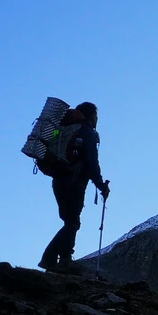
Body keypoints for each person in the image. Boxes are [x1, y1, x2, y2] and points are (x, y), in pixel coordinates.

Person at [39, 102, 110, 273]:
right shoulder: (87, 132)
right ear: (91, 116)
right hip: (75, 180)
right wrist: (101, 185)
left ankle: (55, 259)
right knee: (73, 222)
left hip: (57, 178)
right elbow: (92, 162)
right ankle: (60, 260)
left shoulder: (61, 129)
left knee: (69, 221)